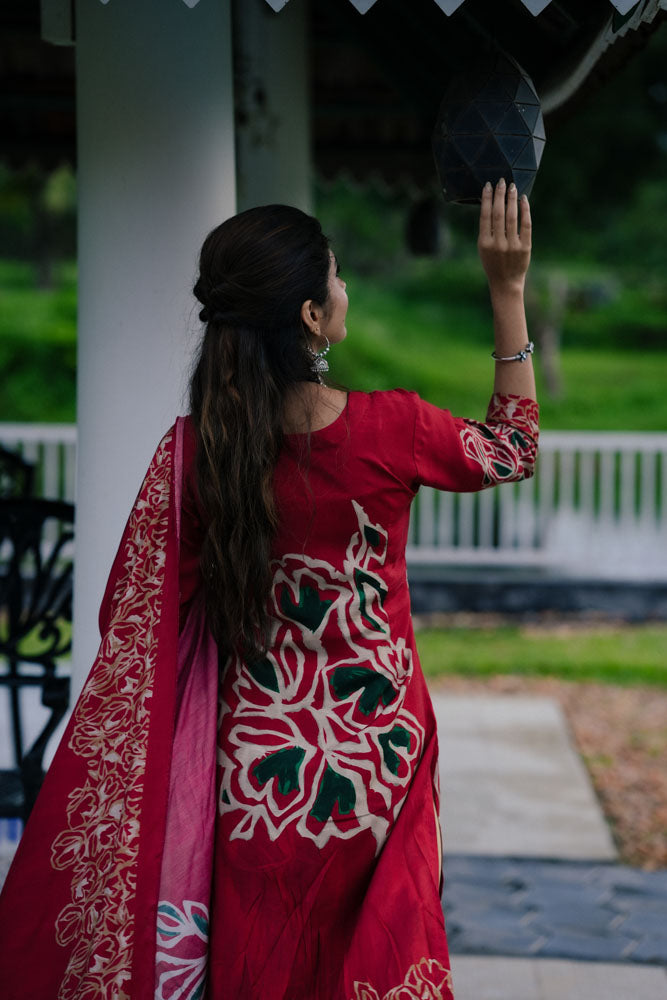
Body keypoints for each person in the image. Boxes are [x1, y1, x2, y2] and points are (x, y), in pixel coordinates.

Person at [0, 179, 537, 1000]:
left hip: (256, 776)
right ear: (311, 318)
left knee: (259, 974)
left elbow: (131, 618)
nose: (344, 287)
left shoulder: (197, 455)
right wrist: (507, 290)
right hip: (373, 764)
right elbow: (512, 447)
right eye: (335, 275)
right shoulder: (394, 429)